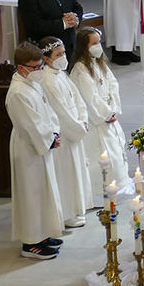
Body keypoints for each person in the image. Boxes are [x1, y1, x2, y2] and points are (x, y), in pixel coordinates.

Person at [5, 42, 65, 260]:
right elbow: (30, 124)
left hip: (41, 144)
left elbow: (48, 112)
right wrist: (48, 140)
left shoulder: (32, 84)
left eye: (41, 66)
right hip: (28, 149)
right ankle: (31, 243)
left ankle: (43, 234)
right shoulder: (18, 92)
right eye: (35, 67)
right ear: (21, 68)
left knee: (43, 192)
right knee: (31, 195)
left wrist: (54, 134)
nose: (40, 71)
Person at [38, 37, 95, 229]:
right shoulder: (47, 80)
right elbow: (60, 111)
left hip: (76, 127)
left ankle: (77, 208)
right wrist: (78, 127)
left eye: (63, 53)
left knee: (77, 169)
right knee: (66, 173)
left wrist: (83, 119)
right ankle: (67, 213)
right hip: (64, 132)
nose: (63, 57)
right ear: (46, 59)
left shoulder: (61, 73)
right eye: (58, 54)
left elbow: (77, 98)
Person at [69, 27, 130, 187]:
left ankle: (119, 183)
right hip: (96, 117)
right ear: (84, 47)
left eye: (99, 42)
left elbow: (112, 84)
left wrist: (114, 107)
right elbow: (89, 97)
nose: (98, 46)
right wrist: (106, 113)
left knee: (116, 150)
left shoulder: (99, 63)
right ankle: (99, 190)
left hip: (109, 111)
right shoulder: (80, 70)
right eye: (94, 43)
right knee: (101, 155)